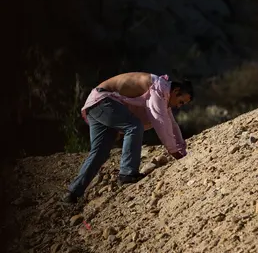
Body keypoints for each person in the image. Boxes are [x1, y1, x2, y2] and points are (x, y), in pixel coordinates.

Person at [62, 72, 193, 203]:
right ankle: (127, 173)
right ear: (176, 91)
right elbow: (161, 122)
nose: (179, 106)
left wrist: (183, 150)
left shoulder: (163, 94)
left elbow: (172, 124)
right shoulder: (159, 88)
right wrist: (176, 154)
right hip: (103, 101)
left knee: (100, 152)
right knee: (134, 126)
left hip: (95, 104)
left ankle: (72, 193)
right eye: (181, 102)